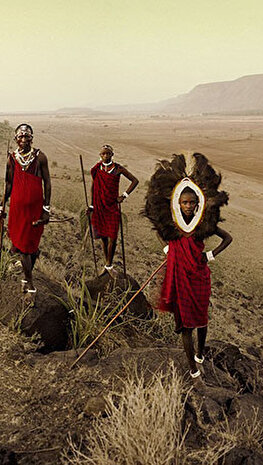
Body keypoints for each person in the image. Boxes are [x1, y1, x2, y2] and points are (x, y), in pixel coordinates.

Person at [144, 153, 231, 379]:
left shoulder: (203, 223)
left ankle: (200, 353)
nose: (189, 206)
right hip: (178, 274)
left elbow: (227, 238)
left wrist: (209, 255)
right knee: (184, 325)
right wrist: (167, 250)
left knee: (202, 319)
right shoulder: (172, 223)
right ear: (178, 203)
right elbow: (159, 232)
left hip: (199, 275)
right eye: (185, 202)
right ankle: (193, 370)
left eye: (192, 202)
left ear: (198, 203)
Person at [0, 124, 51, 293]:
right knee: (23, 248)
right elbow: (8, 183)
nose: (23, 140)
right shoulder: (12, 158)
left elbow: (47, 183)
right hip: (17, 209)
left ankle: (26, 276)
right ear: (16, 139)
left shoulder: (40, 157)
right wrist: (1, 204)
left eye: (26, 136)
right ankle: (29, 285)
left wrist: (46, 208)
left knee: (32, 246)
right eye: (20, 137)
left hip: (35, 208)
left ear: (31, 138)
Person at [88, 144, 139, 274]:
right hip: (100, 206)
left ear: (112, 155)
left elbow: (135, 180)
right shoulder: (97, 169)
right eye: (103, 154)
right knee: (103, 237)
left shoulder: (118, 169)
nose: (105, 156)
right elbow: (93, 187)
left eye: (108, 153)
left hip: (112, 206)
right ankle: (107, 265)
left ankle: (109, 264)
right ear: (100, 155)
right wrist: (92, 205)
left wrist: (124, 195)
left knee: (113, 237)